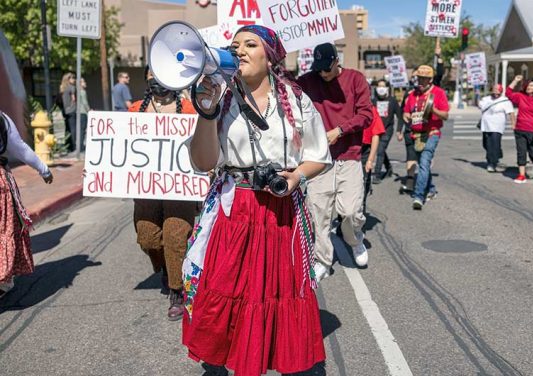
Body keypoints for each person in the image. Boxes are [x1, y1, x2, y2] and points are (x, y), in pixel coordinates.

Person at [182, 25, 330, 375]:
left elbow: (319, 155)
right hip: (235, 211)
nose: (240, 51)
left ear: (271, 56)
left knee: (273, 295)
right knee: (227, 288)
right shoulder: (220, 96)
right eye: (235, 46)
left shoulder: (296, 101)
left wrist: (295, 176)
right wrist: (206, 112)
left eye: (251, 44)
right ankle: (233, 358)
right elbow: (203, 163)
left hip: (280, 213)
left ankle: (266, 357)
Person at [128, 67, 200, 321]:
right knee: (147, 237)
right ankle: (167, 269)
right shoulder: (136, 109)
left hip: (180, 188)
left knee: (175, 236)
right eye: (152, 77)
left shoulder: (190, 109)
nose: (156, 82)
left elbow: (202, 142)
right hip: (146, 188)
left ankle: (177, 291)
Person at [297, 43, 372, 277]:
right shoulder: (306, 81)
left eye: (326, 69)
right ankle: (322, 259)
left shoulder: (355, 79)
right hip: (318, 158)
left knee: (350, 211)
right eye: (318, 69)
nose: (322, 74)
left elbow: (366, 114)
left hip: (349, 154)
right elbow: (284, 94)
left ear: (336, 61)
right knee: (318, 212)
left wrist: (340, 130)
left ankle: (354, 239)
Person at [0, 111, 53, 297]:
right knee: (4, 231)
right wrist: (44, 170)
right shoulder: (2, 118)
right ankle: (3, 280)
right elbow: (19, 148)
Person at [402, 65, 449, 210]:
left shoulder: (438, 93)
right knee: (425, 166)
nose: (420, 82)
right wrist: (407, 117)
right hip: (416, 134)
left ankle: (418, 196)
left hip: (432, 133)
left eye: (424, 79)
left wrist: (432, 109)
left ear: (430, 80)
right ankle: (431, 188)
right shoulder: (412, 95)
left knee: (424, 162)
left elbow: (446, 115)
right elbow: (405, 113)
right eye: (419, 78)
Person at [506, 75, 533, 183]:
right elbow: (508, 93)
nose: (529, 87)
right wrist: (515, 81)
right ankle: (521, 175)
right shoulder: (520, 96)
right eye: (528, 85)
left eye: (531, 85)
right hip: (520, 129)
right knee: (521, 152)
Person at [479, 84, 515, 172]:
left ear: (501, 91)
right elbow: (480, 106)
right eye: (495, 90)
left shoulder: (505, 101)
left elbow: (511, 113)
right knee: (486, 144)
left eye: (498, 91)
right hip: (486, 125)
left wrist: (513, 124)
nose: (496, 92)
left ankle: (492, 163)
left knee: (494, 144)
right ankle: (497, 155)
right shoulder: (486, 99)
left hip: (497, 126)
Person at [371, 79, 401, 183]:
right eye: (379, 86)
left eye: (383, 86)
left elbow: (400, 116)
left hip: (387, 130)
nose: (381, 88)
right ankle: (389, 168)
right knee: (381, 150)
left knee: (379, 151)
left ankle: (377, 175)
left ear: (387, 88)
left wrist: (399, 131)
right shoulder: (373, 101)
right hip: (376, 130)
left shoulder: (392, 100)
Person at [361, 106, 385, 212]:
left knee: (362, 185)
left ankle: (360, 215)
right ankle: (342, 219)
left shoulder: (370, 109)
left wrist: (370, 160)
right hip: (345, 151)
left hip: (363, 151)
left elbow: (376, 135)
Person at [61, 72, 78, 151]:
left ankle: (68, 146)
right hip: (72, 109)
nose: (74, 80)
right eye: (72, 78)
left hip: (65, 110)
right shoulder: (72, 87)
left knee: (67, 129)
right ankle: (74, 146)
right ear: (68, 79)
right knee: (73, 128)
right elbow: (74, 99)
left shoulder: (63, 88)